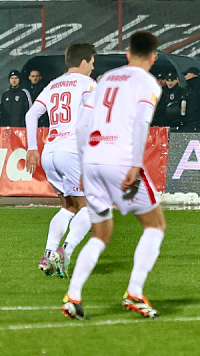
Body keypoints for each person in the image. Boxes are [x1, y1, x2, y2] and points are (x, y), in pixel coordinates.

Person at [62, 30, 165, 320]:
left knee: (101, 233)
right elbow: (142, 122)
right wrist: (134, 163)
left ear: (128, 53)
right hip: (120, 159)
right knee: (155, 225)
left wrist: (83, 164)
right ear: (153, 57)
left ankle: (74, 295)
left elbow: (82, 125)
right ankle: (134, 291)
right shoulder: (149, 83)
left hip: (93, 159)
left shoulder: (105, 79)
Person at [25, 44, 97, 278]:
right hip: (72, 150)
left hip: (50, 152)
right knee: (90, 208)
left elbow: (31, 114)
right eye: (93, 62)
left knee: (68, 207)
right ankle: (64, 253)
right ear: (84, 62)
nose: (93, 67)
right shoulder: (88, 84)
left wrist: (32, 148)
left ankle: (48, 254)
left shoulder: (53, 84)